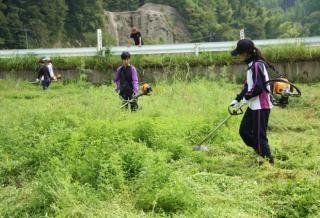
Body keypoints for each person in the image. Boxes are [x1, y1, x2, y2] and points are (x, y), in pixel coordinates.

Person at [230, 39, 274, 164]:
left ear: (246, 53)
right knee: (244, 131)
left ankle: (269, 161)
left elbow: (258, 87)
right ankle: (261, 152)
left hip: (261, 104)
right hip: (253, 104)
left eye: (239, 53)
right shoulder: (251, 65)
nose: (238, 56)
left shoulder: (257, 65)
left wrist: (245, 98)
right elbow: (248, 86)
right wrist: (237, 99)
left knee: (260, 136)